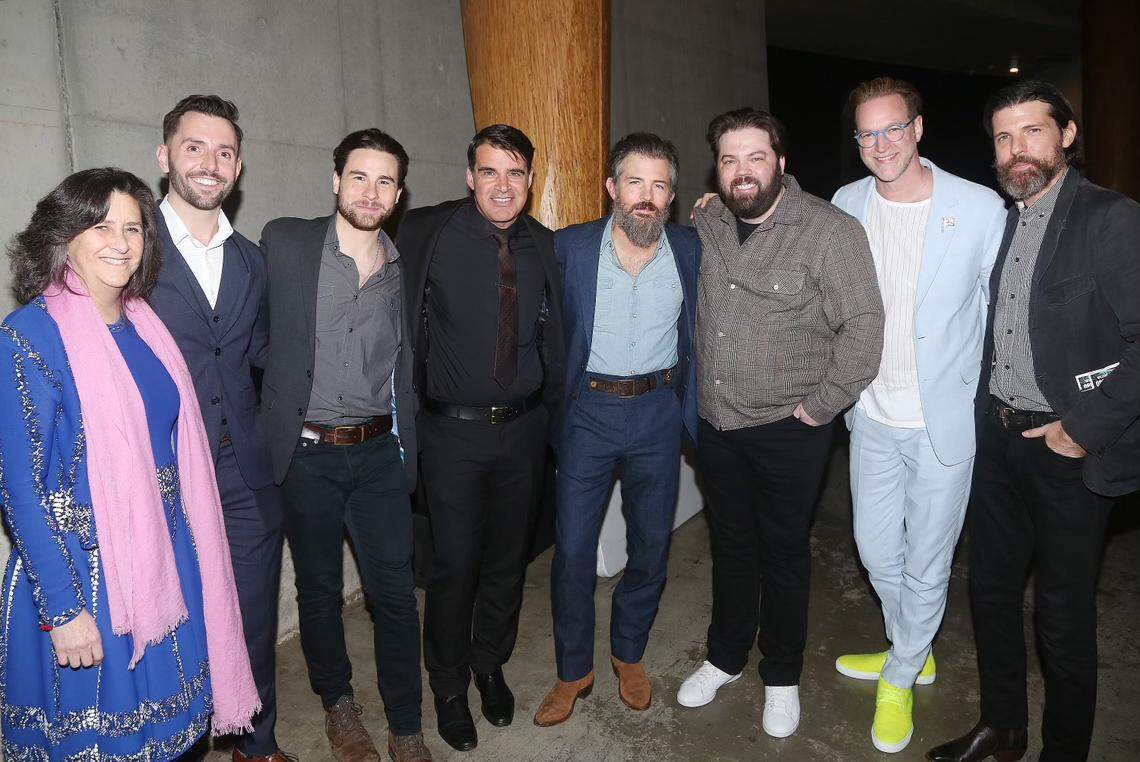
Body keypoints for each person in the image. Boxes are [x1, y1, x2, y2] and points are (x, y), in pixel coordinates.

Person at [0, 168, 259, 758]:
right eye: (101, 226)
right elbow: (18, 488)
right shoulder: (28, 337)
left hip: (167, 557)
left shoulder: (146, 325)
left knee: (176, 741)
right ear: (64, 236)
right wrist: (63, 609)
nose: (120, 242)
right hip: (84, 576)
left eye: (133, 228)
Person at [927, 81, 1140, 762]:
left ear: (1067, 136)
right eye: (1003, 137)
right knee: (989, 593)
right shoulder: (1002, 221)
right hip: (998, 439)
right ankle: (1003, 728)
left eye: (1033, 131)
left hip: (1067, 447)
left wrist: (1080, 431)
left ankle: (1063, 751)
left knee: (1062, 618)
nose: (1017, 149)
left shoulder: (1110, 218)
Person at [677, 108, 884, 739]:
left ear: (781, 163)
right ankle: (725, 656)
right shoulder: (708, 221)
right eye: (729, 159)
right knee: (731, 546)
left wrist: (822, 406)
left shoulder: (830, 230)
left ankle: (783, 674)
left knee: (784, 552)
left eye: (755, 157)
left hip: (790, 428)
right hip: (716, 425)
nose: (742, 171)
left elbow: (864, 327)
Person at [827, 77, 1006, 754]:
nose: (881, 145)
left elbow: (997, 314)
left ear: (919, 128)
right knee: (876, 550)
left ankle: (900, 675)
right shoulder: (847, 203)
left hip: (942, 424)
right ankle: (914, 647)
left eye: (893, 128)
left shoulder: (978, 207)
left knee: (928, 562)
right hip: (871, 415)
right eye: (867, 133)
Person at [259, 130, 431, 762]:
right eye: (359, 176)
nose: (370, 191)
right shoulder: (286, 244)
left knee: (396, 595)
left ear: (399, 193)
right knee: (319, 591)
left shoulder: (402, 270)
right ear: (336, 180)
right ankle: (338, 706)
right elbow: (252, 332)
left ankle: (406, 726)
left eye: (385, 181)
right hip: (307, 456)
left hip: (380, 454)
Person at [396, 124, 565, 752]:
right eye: (489, 171)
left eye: (515, 172)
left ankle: (489, 663)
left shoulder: (544, 245)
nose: (502, 185)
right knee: (454, 565)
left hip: (524, 432)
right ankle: (447, 685)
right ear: (470, 177)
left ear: (530, 180)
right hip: (451, 435)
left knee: (506, 561)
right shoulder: (426, 233)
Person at [149, 94, 290, 762]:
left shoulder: (253, 261)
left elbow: (263, 357)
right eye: (195, 147)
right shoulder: (129, 248)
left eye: (225, 151)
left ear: (238, 167)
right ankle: (175, 744)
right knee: (167, 623)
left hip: (242, 471)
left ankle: (256, 740)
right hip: (159, 473)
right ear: (165, 156)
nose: (210, 162)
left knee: (254, 613)